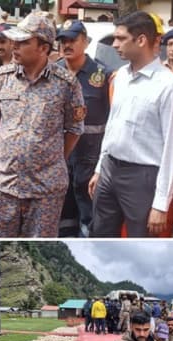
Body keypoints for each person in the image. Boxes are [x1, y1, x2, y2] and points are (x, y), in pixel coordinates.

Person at [0, 11, 84, 238]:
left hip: (45, 189)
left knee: (38, 249)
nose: (15, 46)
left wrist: (52, 158)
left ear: (43, 47)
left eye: (23, 42)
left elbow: (74, 130)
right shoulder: (1, 78)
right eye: (15, 41)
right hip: (4, 184)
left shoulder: (66, 84)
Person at [88, 11, 173, 238]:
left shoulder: (170, 87)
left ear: (141, 40)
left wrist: (161, 203)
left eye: (121, 38)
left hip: (143, 178)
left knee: (140, 240)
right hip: (110, 169)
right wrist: (99, 168)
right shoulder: (121, 76)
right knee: (101, 237)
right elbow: (112, 125)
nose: (114, 44)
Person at [55, 20, 111, 238]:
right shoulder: (53, 72)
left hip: (90, 158)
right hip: (59, 157)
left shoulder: (103, 75)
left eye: (72, 40)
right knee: (62, 212)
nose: (67, 45)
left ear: (86, 42)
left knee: (88, 215)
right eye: (62, 41)